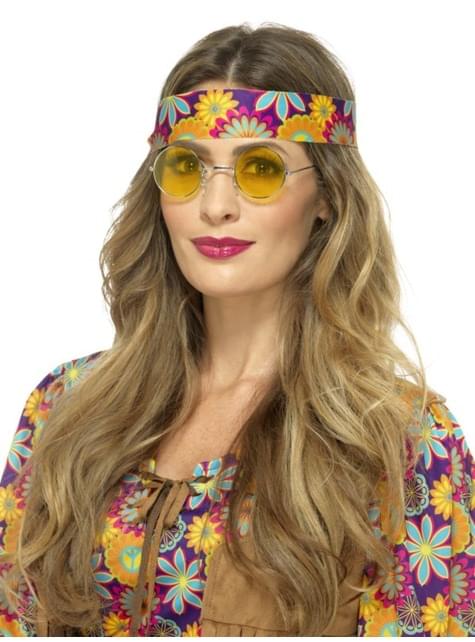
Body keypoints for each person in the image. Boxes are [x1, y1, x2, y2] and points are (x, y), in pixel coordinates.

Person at [0, 22, 473, 637]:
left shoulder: (402, 442)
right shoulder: (65, 407)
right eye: (187, 166)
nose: (215, 205)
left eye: (260, 168)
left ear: (326, 196)